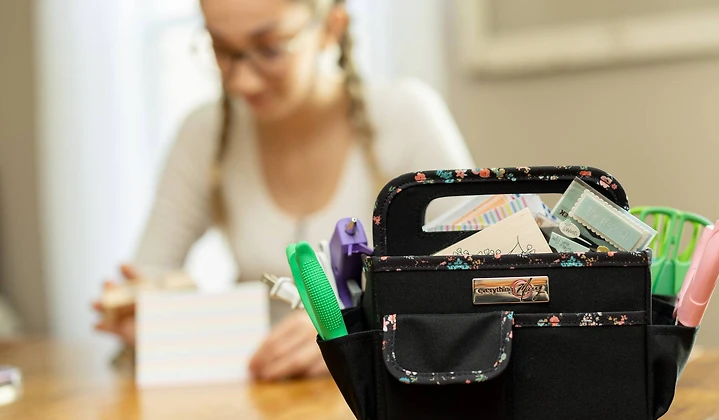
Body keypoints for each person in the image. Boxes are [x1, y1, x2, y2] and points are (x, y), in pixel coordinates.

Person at [94, 0, 473, 381]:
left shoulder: (405, 116)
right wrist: (152, 322)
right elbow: (151, 274)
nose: (241, 80)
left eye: (271, 48)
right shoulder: (202, 134)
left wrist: (355, 327)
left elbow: (483, 274)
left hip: (382, 398)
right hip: (256, 394)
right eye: (220, 49)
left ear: (331, 28)